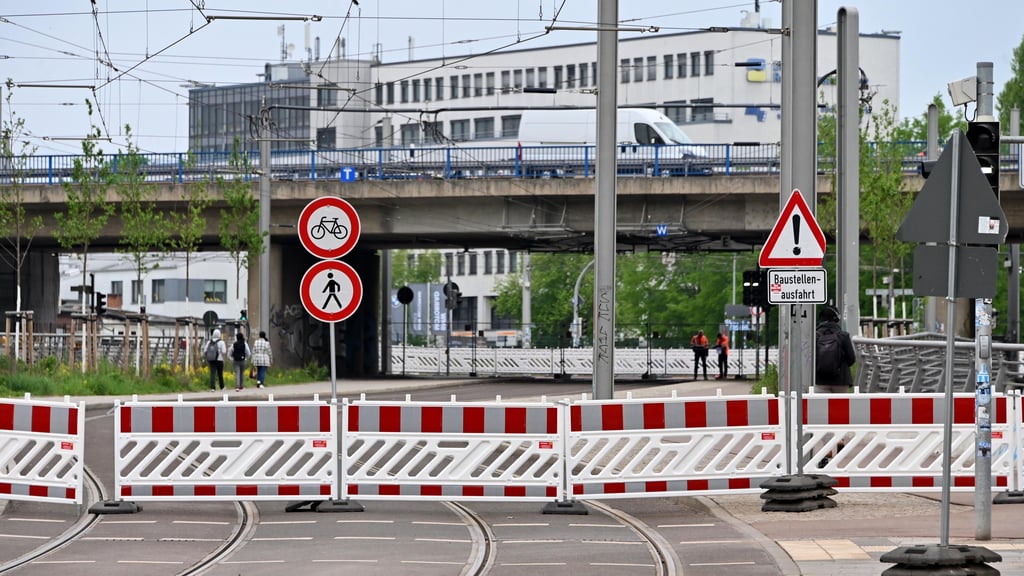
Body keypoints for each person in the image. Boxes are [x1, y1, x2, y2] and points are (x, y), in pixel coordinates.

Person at [815, 306, 856, 393]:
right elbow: (851, 359)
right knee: (841, 406)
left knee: (820, 406)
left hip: (819, 380)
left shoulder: (815, 336)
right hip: (841, 380)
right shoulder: (843, 336)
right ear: (836, 319)